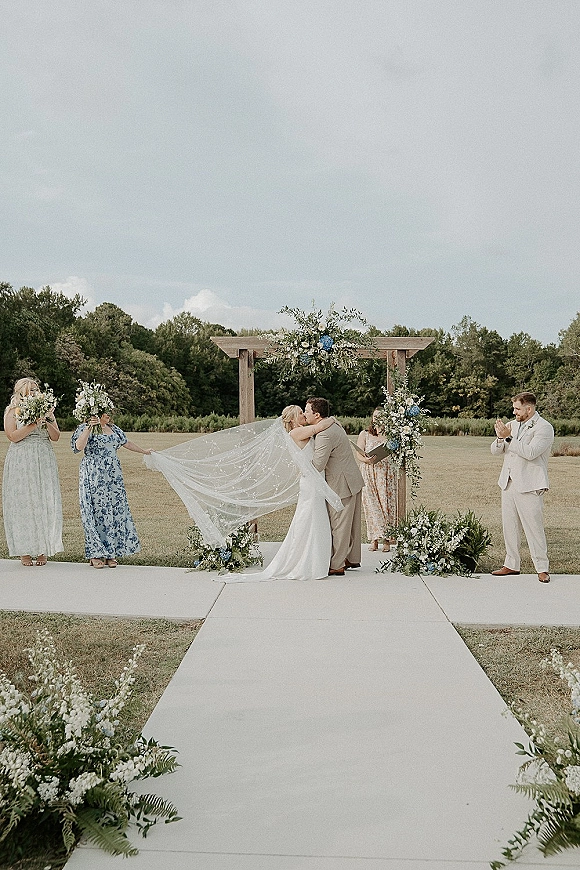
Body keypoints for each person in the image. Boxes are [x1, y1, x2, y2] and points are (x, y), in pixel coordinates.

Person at [224, 406, 342, 582]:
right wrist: (332, 419)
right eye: (301, 413)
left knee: (315, 520)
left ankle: (314, 562)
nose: (303, 415)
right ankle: (305, 563)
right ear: (293, 418)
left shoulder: (301, 432)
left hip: (313, 481)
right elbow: (318, 428)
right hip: (311, 484)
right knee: (309, 520)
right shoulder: (296, 433)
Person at [72, 410, 153, 568]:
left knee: (113, 512)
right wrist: (90, 426)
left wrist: (144, 451)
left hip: (113, 476)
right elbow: (78, 446)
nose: (109, 414)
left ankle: (111, 552)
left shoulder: (114, 429)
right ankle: (95, 553)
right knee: (97, 512)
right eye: (105, 412)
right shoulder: (84, 428)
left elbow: (126, 442)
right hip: (93, 474)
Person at [491, 391, 554, 583]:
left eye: (517, 408)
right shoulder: (512, 425)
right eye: (514, 408)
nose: (514, 411)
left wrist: (509, 438)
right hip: (508, 482)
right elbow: (494, 451)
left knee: (534, 528)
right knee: (509, 526)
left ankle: (542, 568)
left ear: (529, 408)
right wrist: (501, 438)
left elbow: (531, 452)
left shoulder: (544, 428)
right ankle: (511, 564)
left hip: (530, 484)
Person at [2, 378, 63, 566]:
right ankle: (25, 551)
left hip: (44, 457)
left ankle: (43, 548)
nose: (34, 393)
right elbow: (13, 436)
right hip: (22, 459)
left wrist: (49, 418)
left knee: (44, 501)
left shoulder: (45, 409)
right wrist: (34, 424)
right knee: (24, 503)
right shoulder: (12, 411)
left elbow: (56, 436)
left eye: (36, 390)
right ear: (20, 392)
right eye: (30, 390)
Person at [305, 397, 364, 576]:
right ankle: (352, 558)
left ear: (316, 415)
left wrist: (301, 462)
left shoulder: (324, 434)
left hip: (341, 484)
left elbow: (317, 465)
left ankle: (337, 564)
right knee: (351, 524)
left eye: (306, 410)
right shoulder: (333, 423)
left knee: (339, 524)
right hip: (351, 479)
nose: (304, 413)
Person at [356, 409, 397, 552]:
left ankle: (387, 539)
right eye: (375, 416)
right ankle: (374, 538)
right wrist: (366, 460)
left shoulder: (392, 435)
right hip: (368, 472)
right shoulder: (365, 434)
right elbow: (359, 453)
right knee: (371, 505)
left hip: (386, 473)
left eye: (381, 416)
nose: (377, 419)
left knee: (386, 504)